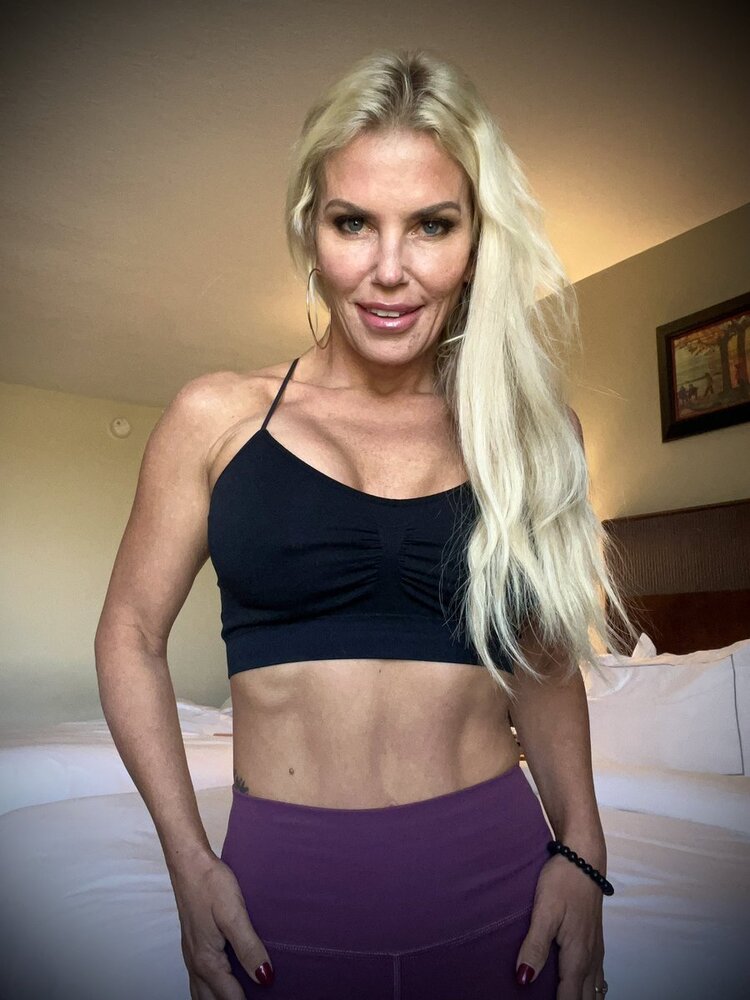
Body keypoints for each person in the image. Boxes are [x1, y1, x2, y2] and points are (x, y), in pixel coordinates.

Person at [95, 48, 635, 1000]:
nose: (390, 271)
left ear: (477, 238)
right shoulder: (216, 418)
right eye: (354, 222)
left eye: (432, 224)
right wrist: (188, 859)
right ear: (311, 231)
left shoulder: (532, 435)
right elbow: (130, 633)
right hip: (279, 900)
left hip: (504, 890)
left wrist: (583, 853)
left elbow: (544, 663)